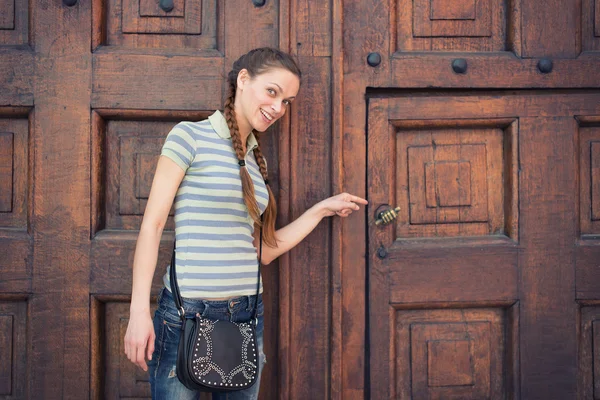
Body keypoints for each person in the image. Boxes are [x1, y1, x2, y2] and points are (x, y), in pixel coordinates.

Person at [123, 47, 368, 400]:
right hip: (185, 314)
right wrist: (138, 313)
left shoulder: (254, 160)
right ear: (243, 80)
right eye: (272, 91)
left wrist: (321, 211)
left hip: (246, 316)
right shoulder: (188, 137)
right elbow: (153, 225)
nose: (279, 107)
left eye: (288, 101)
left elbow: (262, 253)